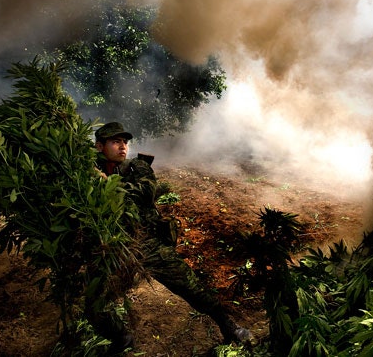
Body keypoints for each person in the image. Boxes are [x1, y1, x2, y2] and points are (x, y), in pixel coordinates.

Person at [92, 122, 253, 351]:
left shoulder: (137, 167)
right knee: (94, 302)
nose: (123, 147)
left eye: (125, 142)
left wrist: (107, 184)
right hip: (114, 247)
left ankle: (229, 326)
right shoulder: (88, 171)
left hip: (147, 244)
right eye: (115, 142)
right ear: (99, 146)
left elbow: (145, 194)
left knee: (191, 287)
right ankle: (121, 339)